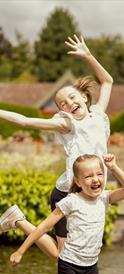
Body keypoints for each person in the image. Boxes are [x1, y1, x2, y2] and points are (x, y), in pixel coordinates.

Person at [0, 34, 113, 259]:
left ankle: (17, 219)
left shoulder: (99, 114)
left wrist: (88, 55)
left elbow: (107, 81)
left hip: (91, 189)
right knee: (62, 255)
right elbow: (25, 121)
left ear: (83, 96)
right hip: (67, 192)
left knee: (81, 250)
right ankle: (19, 222)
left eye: (72, 98)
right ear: (61, 110)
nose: (69, 103)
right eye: (63, 103)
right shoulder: (66, 124)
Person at [10, 153, 124, 274]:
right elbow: (44, 226)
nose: (96, 179)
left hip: (90, 267)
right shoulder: (71, 201)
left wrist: (114, 167)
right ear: (78, 181)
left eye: (100, 174)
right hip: (69, 266)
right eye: (89, 176)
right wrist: (20, 251)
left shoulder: (104, 198)